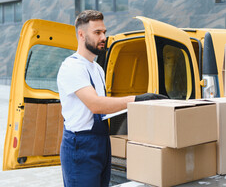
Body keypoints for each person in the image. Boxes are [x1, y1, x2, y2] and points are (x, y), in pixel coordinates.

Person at [57, 10, 167, 187]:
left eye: (104, 32)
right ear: (81, 34)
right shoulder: (72, 67)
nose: (103, 37)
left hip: (101, 142)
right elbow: (95, 105)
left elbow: (106, 108)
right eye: (97, 32)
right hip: (81, 147)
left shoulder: (97, 69)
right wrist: (138, 99)